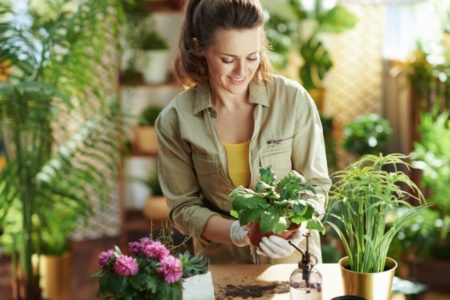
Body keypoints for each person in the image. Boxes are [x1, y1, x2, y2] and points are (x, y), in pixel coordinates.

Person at [156, 0, 331, 264]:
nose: (242, 72)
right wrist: (237, 232)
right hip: (222, 265)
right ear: (198, 47)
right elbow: (182, 208)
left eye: (252, 57)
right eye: (228, 60)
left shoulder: (293, 100)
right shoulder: (176, 119)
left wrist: (300, 226)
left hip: (294, 265)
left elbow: (315, 184)